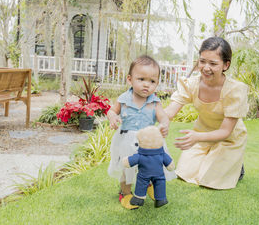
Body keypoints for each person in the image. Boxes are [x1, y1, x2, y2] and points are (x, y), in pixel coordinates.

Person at [164, 36, 249, 190]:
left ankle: (236, 166)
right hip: (202, 135)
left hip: (228, 138)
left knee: (208, 180)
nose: (205, 67)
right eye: (202, 61)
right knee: (184, 173)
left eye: (213, 63)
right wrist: (145, 117)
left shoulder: (235, 90)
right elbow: (170, 111)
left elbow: (225, 131)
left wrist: (196, 137)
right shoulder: (192, 84)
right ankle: (215, 158)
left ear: (226, 65)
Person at [106, 55, 176, 209]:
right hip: (126, 140)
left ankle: (149, 185)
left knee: (152, 164)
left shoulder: (154, 102)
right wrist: (113, 117)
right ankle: (125, 193)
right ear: (130, 79)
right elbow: (111, 111)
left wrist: (165, 124)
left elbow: (163, 117)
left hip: (149, 140)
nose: (147, 85)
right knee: (127, 167)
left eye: (152, 81)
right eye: (141, 79)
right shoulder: (124, 99)